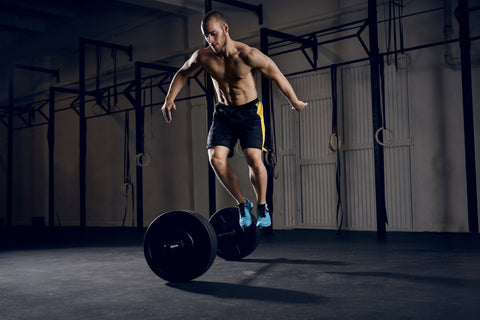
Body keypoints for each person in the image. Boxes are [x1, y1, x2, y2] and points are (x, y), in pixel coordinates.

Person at [161, 11, 307, 229]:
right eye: (206, 36)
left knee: (253, 159)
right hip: (224, 113)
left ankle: (262, 206)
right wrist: (169, 99)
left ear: (225, 29)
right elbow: (183, 73)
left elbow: (276, 74)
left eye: (213, 34)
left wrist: (294, 100)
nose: (210, 40)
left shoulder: (248, 55)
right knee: (216, 159)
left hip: (250, 112)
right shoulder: (203, 56)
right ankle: (242, 203)